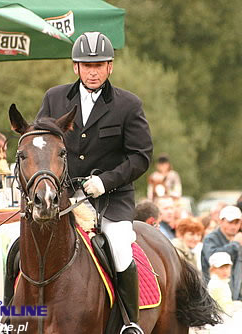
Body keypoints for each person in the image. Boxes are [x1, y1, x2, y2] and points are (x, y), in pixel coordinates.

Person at [35, 32, 153, 334]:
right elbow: (40, 142)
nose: (92, 71)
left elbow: (141, 157)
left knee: (119, 246)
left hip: (111, 199)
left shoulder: (128, 104)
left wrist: (106, 181)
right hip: (63, 197)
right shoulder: (54, 98)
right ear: (75, 67)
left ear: (110, 67)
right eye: (86, 65)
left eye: (99, 65)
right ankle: (10, 315)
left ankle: (130, 322)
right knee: (21, 246)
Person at [201, 205, 242, 301]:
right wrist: (235, 244)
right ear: (220, 221)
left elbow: (238, 271)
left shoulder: (238, 238)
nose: (233, 226)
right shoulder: (210, 238)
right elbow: (213, 258)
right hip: (215, 296)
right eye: (230, 222)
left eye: (236, 223)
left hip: (233, 295)